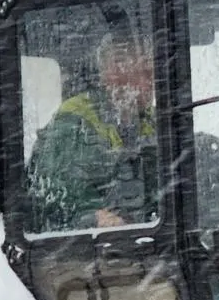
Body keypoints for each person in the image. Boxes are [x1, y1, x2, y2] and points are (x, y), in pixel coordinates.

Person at [27, 23, 158, 231]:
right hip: (90, 247)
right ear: (110, 73)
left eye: (151, 72)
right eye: (143, 72)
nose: (151, 82)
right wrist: (93, 215)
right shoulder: (74, 122)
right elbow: (53, 188)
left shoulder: (152, 121)